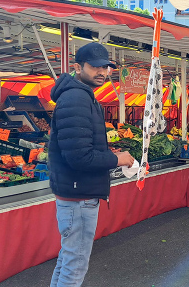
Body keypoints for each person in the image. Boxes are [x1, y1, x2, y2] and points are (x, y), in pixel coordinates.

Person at [48, 42, 135, 287]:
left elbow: (80, 147)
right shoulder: (76, 98)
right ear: (77, 67)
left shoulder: (81, 95)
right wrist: (116, 159)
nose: (102, 72)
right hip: (79, 196)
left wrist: (106, 151)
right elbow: (78, 157)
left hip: (76, 192)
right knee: (75, 265)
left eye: (105, 67)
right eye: (95, 66)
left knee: (68, 259)